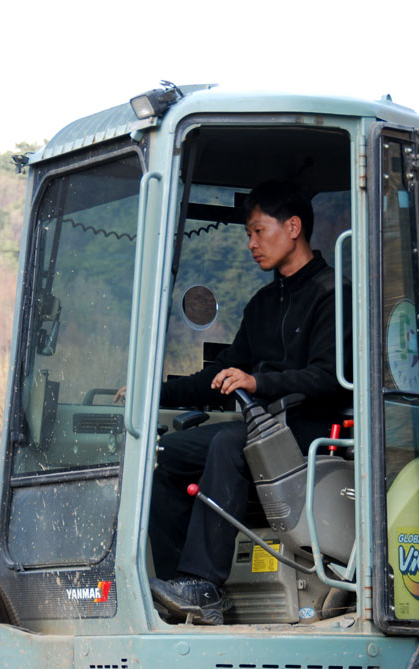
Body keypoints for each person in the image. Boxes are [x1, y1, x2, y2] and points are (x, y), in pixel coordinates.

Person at [146, 180, 350, 625]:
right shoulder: (261, 304)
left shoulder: (333, 295)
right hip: (262, 428)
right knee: (171, 454)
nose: (252, 244)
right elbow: (218, 375)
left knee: (228, 445)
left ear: (293, 227)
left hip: (312, 431)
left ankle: (204, 586)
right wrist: (154, 390)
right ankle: (170, 585)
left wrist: (258, 383)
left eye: (259, 231)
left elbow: (327, 378)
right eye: (248, 235)